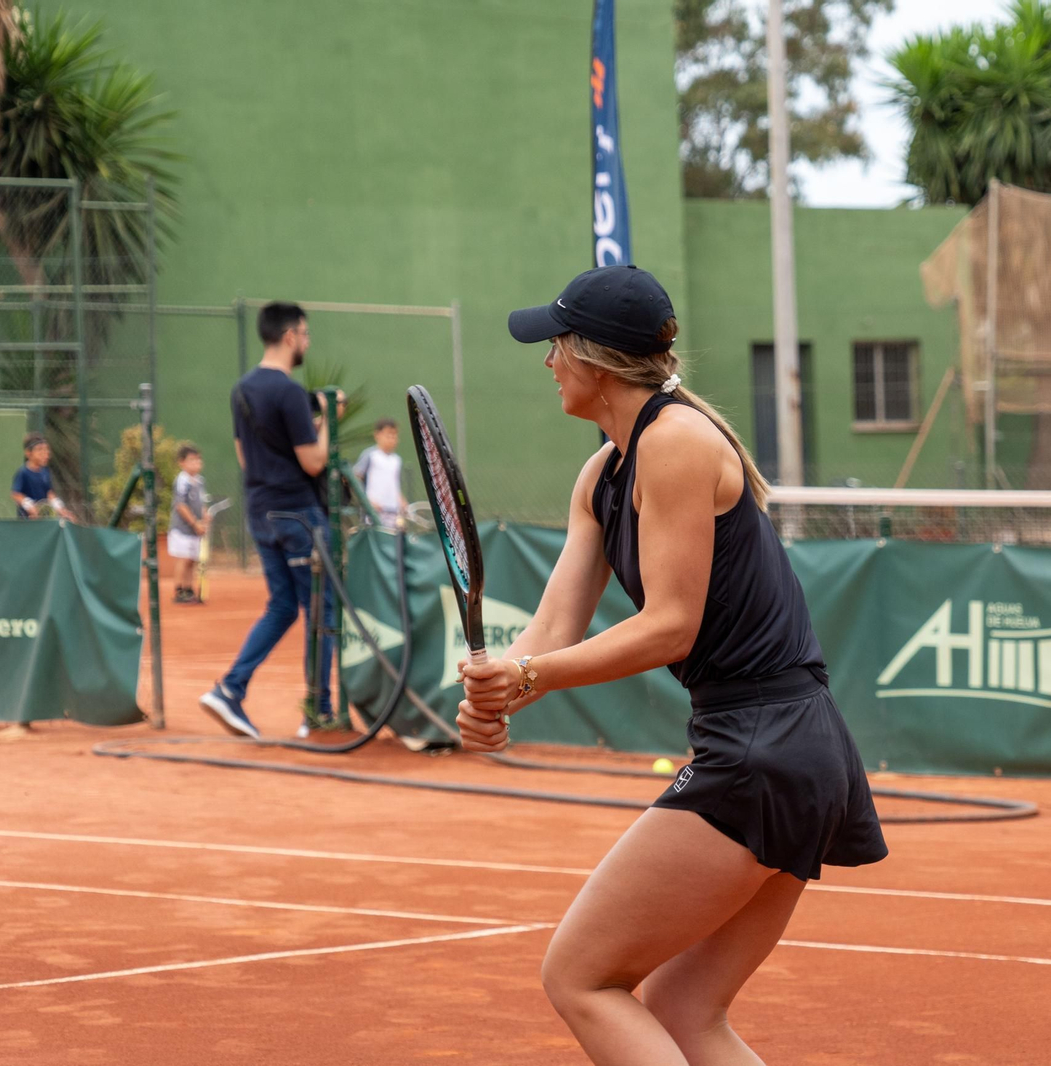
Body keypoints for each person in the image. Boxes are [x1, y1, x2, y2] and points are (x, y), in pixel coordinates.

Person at [459, 265, 887, 1065]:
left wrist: (528, 679)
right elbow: (555, 622)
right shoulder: (604, 470)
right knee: (687, 1012)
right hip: (788, 749)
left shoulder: (678, 443)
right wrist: (502, 684)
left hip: (766, 744)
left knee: (580, 977)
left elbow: (669, 628)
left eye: (556, 346)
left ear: (596, 359)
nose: (546, 361)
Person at [200, 302, 338, 740]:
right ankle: (318, 711)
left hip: (260, 511)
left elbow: (246, 456)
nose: (307, 343)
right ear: (291, 335)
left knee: (282, 606)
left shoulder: (242, 390)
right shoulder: (288, 392)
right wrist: (329, 419)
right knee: (322, 609)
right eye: (306, 334)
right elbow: (314, 461)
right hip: (298, 512)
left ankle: (231, 689)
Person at [169, 443, 208, 604]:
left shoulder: (199, 481)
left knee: (192, 559)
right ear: (182, 463)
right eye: (191, 460)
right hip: (182, 529)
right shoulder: (182, 480)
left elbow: (202, 503)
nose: (196, 463)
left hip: (195, 530)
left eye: (198, 460)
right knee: (184, 559)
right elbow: (181, 506)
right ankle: (179, 591)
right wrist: (194, 523)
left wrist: (205, 519)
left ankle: (188, 589)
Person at [353, 417, 406, 528]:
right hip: (373, 512)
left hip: (393, 513)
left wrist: (402, 502)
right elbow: (355, 478)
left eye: (394, 435)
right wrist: (368, 501)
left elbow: (394, 485)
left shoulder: (397, 460)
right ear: (377, 435)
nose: (392, 439)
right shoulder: (370, 455)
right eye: (388, 435)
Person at [11, 434, 75, 521]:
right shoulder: (23, 472)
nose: (45, 454)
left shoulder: (45, 472)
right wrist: (30, 507)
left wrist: (62, 510)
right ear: (28, 453)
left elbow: (49, 493)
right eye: (39, 450)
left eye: (46, 450)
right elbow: (16, 494)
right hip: (27, 522)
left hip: (44, 520)